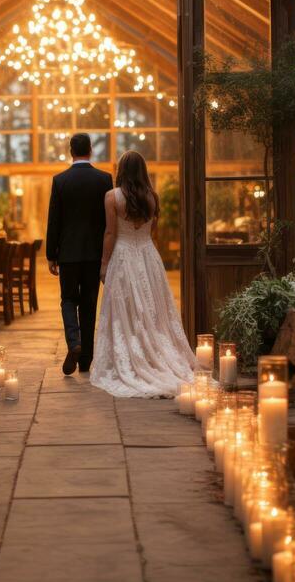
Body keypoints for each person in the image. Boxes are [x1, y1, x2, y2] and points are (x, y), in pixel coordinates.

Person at [90, 150, 197, 398]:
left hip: (123, 256)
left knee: (125, 308)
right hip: (149, 256)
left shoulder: (112, 197)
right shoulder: (153, 197)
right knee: (153, 309)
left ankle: (133, 354)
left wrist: (104, 264)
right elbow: (153, 233)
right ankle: (155, 351)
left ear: (121, 170)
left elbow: (110, 233)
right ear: (143, 171)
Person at [46, 132, 113, 375]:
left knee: (68, 300)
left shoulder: (60, 180)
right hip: (94, 253)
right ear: (90, 150)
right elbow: (109, 221)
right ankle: (86, 360)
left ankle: (74, 342)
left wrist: (50, 254)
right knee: (89, 303)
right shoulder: (104, 180)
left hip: (69, 253)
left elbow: (54, 220)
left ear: (71, 151)